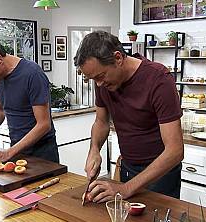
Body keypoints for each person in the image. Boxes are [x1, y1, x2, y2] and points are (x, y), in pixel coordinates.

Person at [74, 31, 184, 202]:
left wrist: (125, 189)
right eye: (93, 79)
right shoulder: (102, 81)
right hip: (128, 167)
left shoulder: (159, 79)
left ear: (118, 58)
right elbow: (101, 122)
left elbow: (175, 151)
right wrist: (94, 149)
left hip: (161, 175)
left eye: (100, 77)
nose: (99, 84)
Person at [0, 36, 59, 163]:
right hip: (17, 148)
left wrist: (7, 153)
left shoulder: (32, 74)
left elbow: (43, 125)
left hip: (42, 152)